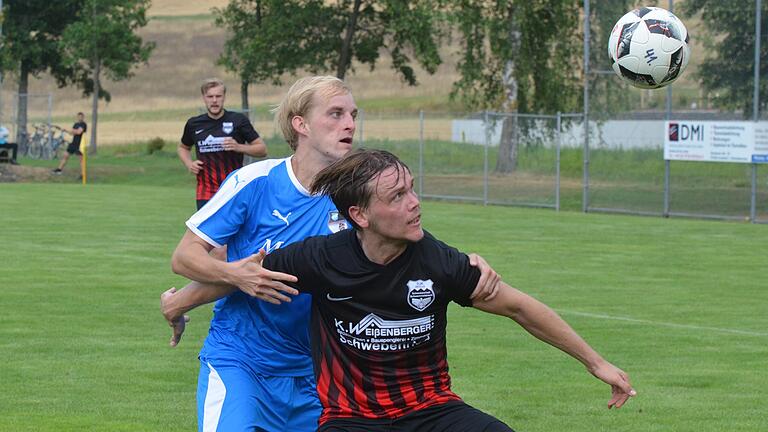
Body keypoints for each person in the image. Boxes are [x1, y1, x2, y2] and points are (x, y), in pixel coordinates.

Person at [167, 149, 637, 432]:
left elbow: (520, 308)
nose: (414, 205)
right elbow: (244, 274)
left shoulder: (439, 262)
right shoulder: (319, 257)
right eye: (397, 197)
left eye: (412, 189)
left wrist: (597, 363)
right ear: (360, 216)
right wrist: (178, 302)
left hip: (431, 412)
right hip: (350, 420)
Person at [163, 76, 500, 432]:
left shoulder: (356, 195)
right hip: (242, 361)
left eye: (353, 114)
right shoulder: (255, 182)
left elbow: (411, 246)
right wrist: (230, 277)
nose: (350, 123)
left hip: (319, 376)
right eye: (336, 114)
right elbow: (186, 258)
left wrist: (471, 267)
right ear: (301, 124)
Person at [179, 78, 268, 210]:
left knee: (236, 230)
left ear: (224, 97)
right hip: (206, 192)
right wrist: (189, 164)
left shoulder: (238, 120)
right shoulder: (194, 124)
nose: (214, 100)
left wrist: (239, 147)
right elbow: (183, 147)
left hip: (234, 189)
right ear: (204, 98)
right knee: (205, 230)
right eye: (210, 96)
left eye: (218, 96)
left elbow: (262, 149)